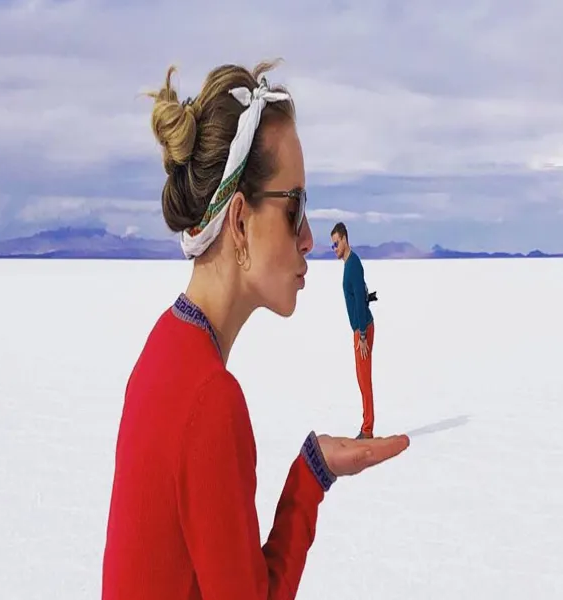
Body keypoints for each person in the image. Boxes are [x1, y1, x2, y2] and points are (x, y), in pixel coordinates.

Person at [101, 60, 410, 599]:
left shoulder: (165, 349)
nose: (308, 237)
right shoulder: (208, 400)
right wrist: (311, 477)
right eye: (295, 207)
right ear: (240, 221)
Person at [330, 222, 378, 439]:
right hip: (360, 328)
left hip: (363, 329)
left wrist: (362, 335)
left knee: (364, 379)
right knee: (361, 378)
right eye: (332, 245)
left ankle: (367, 430)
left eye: (336, 243)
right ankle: (366, 426)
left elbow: (359, 300)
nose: (335, 249)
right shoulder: (350, 264)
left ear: (344, 239)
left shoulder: (353, 265)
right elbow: (361, 292)